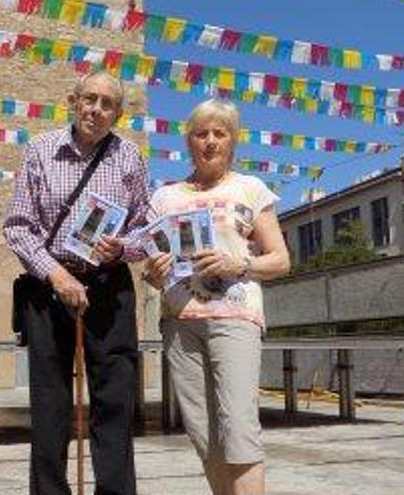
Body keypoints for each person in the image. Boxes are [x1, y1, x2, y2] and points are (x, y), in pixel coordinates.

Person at [3, 71, 150, 495]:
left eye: (108, 104)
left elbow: (146, 228)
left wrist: (121, 247)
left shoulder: (130, 158)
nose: (97, 110)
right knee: (49, 404)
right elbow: (18, 227)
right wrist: (57, 273)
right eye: (90, 99)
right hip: (49, 287)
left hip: (109, 285)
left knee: (116, 400)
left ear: (118, 114)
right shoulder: (41, 150)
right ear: (73, 101)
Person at [142, 99, 290, 495]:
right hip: (179, 324)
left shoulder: (250, 189)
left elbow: (280, 261)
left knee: (238, 428)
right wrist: (154, 274)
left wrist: (237, 264)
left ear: (232, 141)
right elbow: (152, 270)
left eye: (219, 134)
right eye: (200, 133)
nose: (209, 141)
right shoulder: (164, 197)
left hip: (235, 319)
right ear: (188, 141)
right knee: (204, 434)